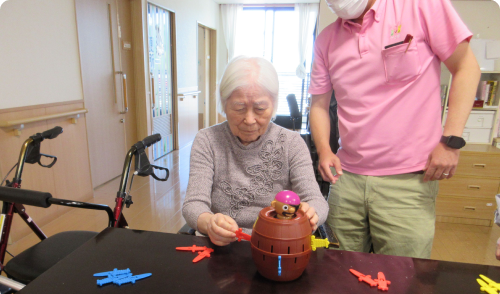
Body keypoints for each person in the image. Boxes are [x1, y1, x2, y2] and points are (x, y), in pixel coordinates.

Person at [309, 0, 480, 258]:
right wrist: (324, 150)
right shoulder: (326, 40)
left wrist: (450, 141)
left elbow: (467, 67)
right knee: (339, 272)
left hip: (408, 180)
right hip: (347, 180)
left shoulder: (419, 6)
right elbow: (319, 105)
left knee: (402, 279)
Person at [182, 56, 329, 246]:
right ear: (224, 103)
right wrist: (209, 223)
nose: (250, 120)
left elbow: (317, 200)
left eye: (260, 109)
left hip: (278, 245)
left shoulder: (291, 143)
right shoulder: (208, 141)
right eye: (239, 108)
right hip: (222, 247)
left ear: (274, 104)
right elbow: (193, 205)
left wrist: (312, 212)